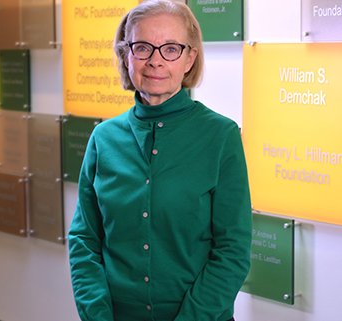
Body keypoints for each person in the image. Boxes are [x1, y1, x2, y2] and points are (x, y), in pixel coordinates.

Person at [68, 1, 252, 320]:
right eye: (142, 47)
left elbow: (233, 252)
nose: (155, 61)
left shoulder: (221, 136)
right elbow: (84, 240)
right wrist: (97, 316)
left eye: (170, 49)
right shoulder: (103, 138)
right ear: (126, 55)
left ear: (189, 58)